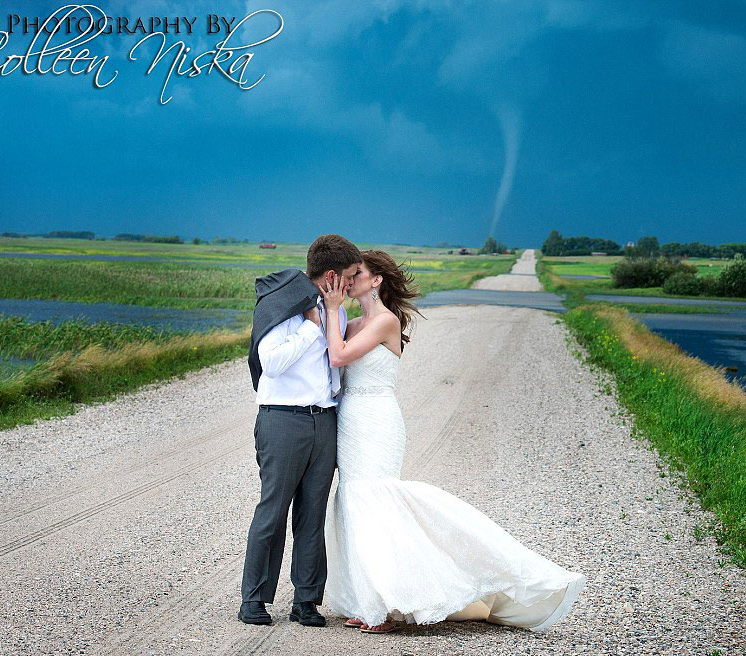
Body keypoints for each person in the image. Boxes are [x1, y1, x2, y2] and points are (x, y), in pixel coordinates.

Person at [319, 250, 585, 634]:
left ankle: (391, 605)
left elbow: (338, 357)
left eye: (357, 272)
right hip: (351, 420)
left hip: (377, 419)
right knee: (354, 501)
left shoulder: (385, 321)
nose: (349, 279)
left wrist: (331, 310)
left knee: (377, 501)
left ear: (376, 280)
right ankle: (370, 600)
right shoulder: (353, 322)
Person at [238, 235, 362, 628]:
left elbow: (335, 367)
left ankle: (306, 601)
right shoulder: (283, 305)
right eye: (350, 276)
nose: (353, 283)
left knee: (313, 515)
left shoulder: (338, 312)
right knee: (273, 511)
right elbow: (271, 364)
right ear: (331, 276)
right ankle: (254, 600)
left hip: (324, 420)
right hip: (282, 419)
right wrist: (312, 326)